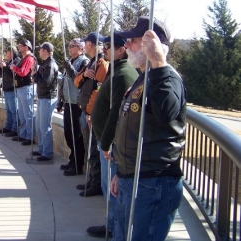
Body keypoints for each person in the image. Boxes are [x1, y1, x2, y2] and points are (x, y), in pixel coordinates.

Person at [110, 17, 186, 241]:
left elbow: (166, 113)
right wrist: (120, 172)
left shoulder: (167, 76)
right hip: (131, 178)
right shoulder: (144, 77)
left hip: (152, 182)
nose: (127, 46)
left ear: (150, 44)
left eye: (134, 40)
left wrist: (158, 62)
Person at [85, 33, 139, 238]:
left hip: (112, 145)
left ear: (121, 50)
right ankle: (111, 224)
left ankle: (114, 229)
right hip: (107, 141)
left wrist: (106, 143)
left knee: (114, 192)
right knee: (111, 191)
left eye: (109, 46)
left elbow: (117, 112)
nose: (104, 49)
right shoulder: (117, 71)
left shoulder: (124, 74)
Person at [73, 32, 108, 195]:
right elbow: (76, 81)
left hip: (90, 114)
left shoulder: (102, 64)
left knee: (94, 150)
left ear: (91, 44)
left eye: (85, 43)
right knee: (89, 148)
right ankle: (91, 180)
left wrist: (91, 112)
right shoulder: (91, 64)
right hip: (84, 111)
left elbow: (99, 90)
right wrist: (85, 74)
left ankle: (96, 185)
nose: (84, 45)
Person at [58, 38, 90, 176]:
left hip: (77, 103)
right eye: (69, 46)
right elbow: (64, 82)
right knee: (68, 134)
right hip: (68, 102)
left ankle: (78, 164)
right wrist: (60, 100)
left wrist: (68, 67)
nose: (70, 48)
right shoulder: (70, 62)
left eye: (73, 46)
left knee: (77, 135)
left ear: (81, 48)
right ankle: (72, 159)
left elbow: (79, 79)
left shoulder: (84, 62)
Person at [31, 42, 58, 161]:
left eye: (40, 50)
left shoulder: (50, 65)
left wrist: (35, 76)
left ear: (46, 51)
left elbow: (45, 83)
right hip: (43, 97)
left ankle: (47, 153)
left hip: (48, 97)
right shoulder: (45, 64)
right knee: (39, 125)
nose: (39, 52)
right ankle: (42, 149)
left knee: (45, 126)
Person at [10, 39, 37, 146]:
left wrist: (14, 68)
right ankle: (23, 134)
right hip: (21, 87)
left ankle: (30, 136)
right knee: (22, 113)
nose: (18, 48)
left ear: (27, 47)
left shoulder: (30, 58)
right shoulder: (24, 58)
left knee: (28, 113)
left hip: (26, 88)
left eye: (20, 46)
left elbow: (23, 72)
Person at [0, 46, 21, 137]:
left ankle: (15, 128)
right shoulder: (9, 62)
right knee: (8, 110)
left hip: (12, 87)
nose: (6, 54)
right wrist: (1, 66)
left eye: (7, 52)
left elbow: (12, 75)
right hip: (6, 87)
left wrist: (6, 67)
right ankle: (8, 126)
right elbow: (1, 73)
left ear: (11, 53)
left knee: (14, 110)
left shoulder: (17, 61)